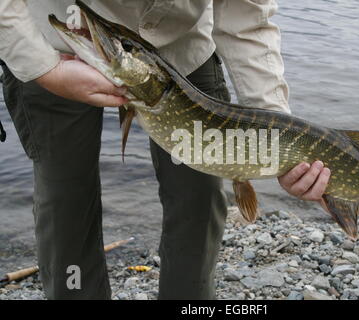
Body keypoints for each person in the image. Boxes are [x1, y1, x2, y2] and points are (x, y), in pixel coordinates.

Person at [0, 0, 330, 300]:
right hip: (52, 37)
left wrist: (278, 134)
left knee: (199, 197)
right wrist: (44, 67)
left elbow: (244, 13)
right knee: (65, 199)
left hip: (180, 45)